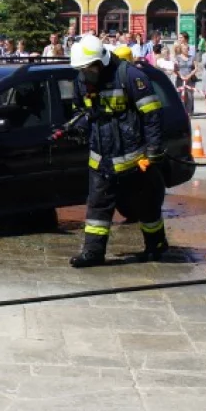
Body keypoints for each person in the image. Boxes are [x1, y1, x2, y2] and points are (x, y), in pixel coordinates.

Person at [65, 36, 167, 267]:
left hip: (134, 157)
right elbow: (81, 112)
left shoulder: (130, 76)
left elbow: (152, 116)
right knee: (97, 204)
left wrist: (153, 149)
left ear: (100, 62)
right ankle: (93, 253)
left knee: (146, 204)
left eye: (88, 68)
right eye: (81, 69)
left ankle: (156, 245)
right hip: (100, 156)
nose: (85, 73)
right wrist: (76, 129)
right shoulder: (82, 80)